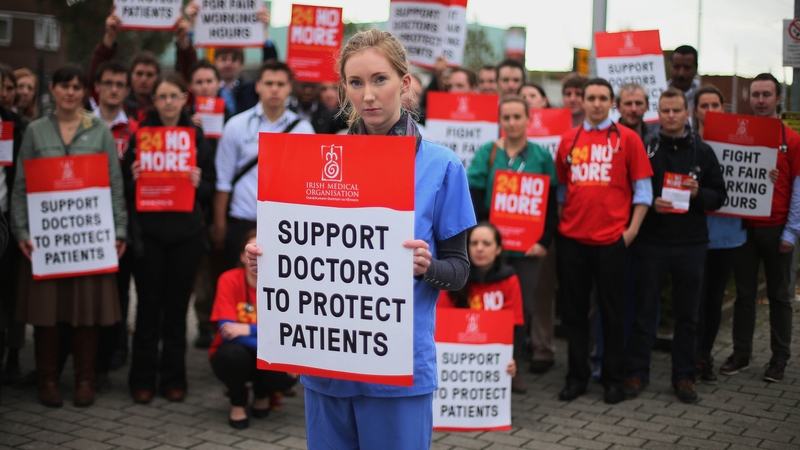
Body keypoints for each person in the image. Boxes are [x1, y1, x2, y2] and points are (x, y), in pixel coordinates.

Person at [247, 28, 475, 449]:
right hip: (327, 367)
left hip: (397, 373)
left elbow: (459, 272)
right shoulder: (316, 159)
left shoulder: (442, 166)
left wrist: (428, 268)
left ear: (405, 84)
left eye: (379, 79)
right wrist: (266, 262)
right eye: (355, 82)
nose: (368, 94)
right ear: (343, 88)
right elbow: (305, 258)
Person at [10, 65, 127, 408]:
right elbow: (20, 186)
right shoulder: (35, 131)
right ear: (54, 89)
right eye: (64, 87)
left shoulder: (99, 130)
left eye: (76, 87)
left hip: (89, 239)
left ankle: (84, 380)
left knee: (87, 313)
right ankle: (47, 380)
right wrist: (21, 231)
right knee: (48, 314)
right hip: (47, 242)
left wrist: (119, 230)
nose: (71, 93)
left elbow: (114, 185)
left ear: (83, 91)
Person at [624, 87, 726, 403]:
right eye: (665, 111)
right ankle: (637, 373)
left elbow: (720, 196)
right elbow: (630, 190)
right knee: (645, 311)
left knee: (688, 315)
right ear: (659, 112)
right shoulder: (647, 147)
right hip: (652, 242)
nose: (670, 116)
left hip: (691, 244)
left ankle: (684, 377)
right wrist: (650, 202)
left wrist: (699, 194)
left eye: (676, 111)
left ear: (687, 113)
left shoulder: (703, 151)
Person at [554, 77, 653, 404]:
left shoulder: (628, 139)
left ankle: (613, 379)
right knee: (573, 314)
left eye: (602, 98)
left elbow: (643, 192)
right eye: (591, 97)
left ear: (612, 102)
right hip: (572, 240)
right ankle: (576, 377)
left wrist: (631, 232)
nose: (596, 103)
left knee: (612, 313)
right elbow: (564, 188)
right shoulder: (568, 140)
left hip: (613, 241)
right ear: (581, 101)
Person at [123, 73, 216, 404]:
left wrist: (197, 181)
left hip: (186, 237)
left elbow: (209, 191)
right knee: (148, 309)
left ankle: (174, 379)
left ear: (184, 99)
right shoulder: (142, 136)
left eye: (173, 96)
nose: (167, 102)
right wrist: (134, 179)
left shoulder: (196, 136)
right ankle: (143, 379)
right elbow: (125, 188)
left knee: (177, 312)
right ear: (154, 102)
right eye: (161, 97)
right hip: (149, 237)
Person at [467, 95, 558, 391]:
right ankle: (482, 364)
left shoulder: (542, 157)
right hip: (494, 251)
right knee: (490, 308)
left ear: (529, 119)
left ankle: (513, 366)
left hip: (529, 250)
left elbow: (551, 205)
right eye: (506, 118)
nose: (512, 123)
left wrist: (544, 242)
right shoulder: (487, 153)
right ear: (500, 121)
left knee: (521, 311)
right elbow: (476, 200)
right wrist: (486, 241)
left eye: (518, 117)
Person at [723, 73, 799, 383]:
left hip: (777, 228)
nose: (761, 101)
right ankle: (741, 352)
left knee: (780, 296)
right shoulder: (740, 134)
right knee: (744, 295)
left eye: (767, 94)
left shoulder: (792, 140)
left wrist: (791, 231)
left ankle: (779, 358)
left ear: (778, 98)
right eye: (756, 95)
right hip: (744, 229)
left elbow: (798, 187)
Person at [212, 60, 315, 269]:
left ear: (289, 88)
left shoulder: (303, 129)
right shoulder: (236, 125)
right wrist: (220, 224)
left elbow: (308, 183)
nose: (274, 89)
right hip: (242, 222)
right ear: (258, 86)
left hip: (286, 227)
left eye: (280, 84)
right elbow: (223, 181)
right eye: (269, 83)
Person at [209, 230, 297, 429]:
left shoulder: (287, 286)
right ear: (242, 256)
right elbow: (227, 331)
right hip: (236, 353)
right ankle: (238, 401)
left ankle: (262, 393)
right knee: (233, 356)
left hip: (260, 352)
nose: (259, 254)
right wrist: (271, 343)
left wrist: (248, 330)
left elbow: (289, 333)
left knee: (285, 369)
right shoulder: (229, 279)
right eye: (252, 250)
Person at [691, 85, 746, 385]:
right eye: (704, 105)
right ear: (695, 110)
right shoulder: (688, 143)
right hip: (696, 234)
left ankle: (704, 357)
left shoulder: (742, 141)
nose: (710, 111)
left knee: (713, 301)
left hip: (728, 235)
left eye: (716, 105)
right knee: (695, 301)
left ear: (723, 109)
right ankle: (689, 356)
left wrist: (767, 176)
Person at [91, 60, 140, 386]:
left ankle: (111, 355)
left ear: (126, 90)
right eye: (107, 82)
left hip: (123, 219)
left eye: (119, 84)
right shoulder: (80, 125)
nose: (113, 89)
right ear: (96, 87)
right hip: (85, 219)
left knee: (118, 291)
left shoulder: (137, 130)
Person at [437, 222, 520, 378]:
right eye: (474, 243)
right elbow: (442, 322)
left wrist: (513, 359)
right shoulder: (454, 277)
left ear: (498, 249)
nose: (479, 249)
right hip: (456, 354)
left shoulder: (509, 279)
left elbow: (515, 324)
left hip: (493, 355)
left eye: (486, 244)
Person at [669, 45, 700, 112]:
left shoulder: (703, 95)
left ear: (696, 68)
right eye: (677, 67)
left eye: (687, 68)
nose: (681, 73)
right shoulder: (659, 93)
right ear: (671, 66)